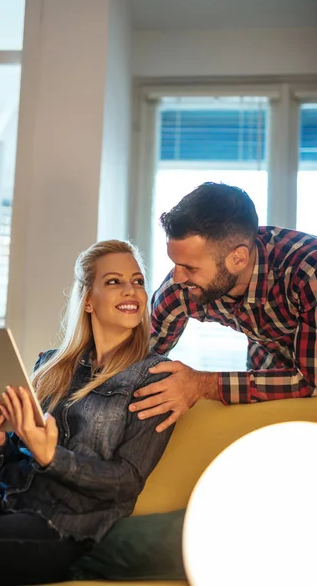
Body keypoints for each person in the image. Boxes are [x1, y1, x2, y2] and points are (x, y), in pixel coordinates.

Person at [0, 240, 174, 586]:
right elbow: (9, 461)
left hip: (65, 525)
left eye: (138, 281)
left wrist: (52, 456)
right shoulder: (51, 365)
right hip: (6, 496)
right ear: (86, 300)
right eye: (114, 281)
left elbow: (126, 483)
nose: (131, 290)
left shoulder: (156, 376)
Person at [129, 182, 317, 432]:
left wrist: (201, 384)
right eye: (176, 263)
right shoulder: (182, 290)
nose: (177, 277)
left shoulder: (308, 275)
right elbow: (139, 358)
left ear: (238, 259)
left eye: (191, 267)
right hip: (268, 370)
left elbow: (310, 381)